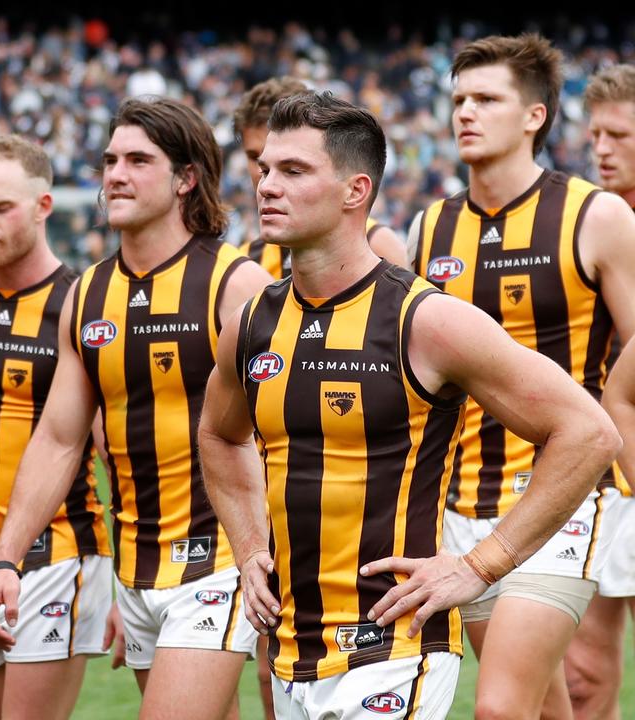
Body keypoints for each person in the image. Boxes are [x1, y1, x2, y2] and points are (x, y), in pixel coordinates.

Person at [200, 89, 623, 720]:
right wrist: (246, 543)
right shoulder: (253, 322)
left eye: (293, 171)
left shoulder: (426, 319)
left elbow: (589, 433)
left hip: (397, 646)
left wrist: (482, 566)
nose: (267, 185)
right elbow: (218, 435)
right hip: (294, 650)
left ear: (356, 191)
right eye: (263, 169)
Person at [0, 97, 274, 720]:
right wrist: (6, 557)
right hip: (135, 570)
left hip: (217, 560)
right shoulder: (87, 294)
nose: (115, 174)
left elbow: (282, 433)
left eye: (139, 160)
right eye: (110, 159)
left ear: (185, 178)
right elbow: (58, 440)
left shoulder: (233, 283)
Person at [411, 34, 635, 718]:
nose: (465, 114)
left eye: (486, 99)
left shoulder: (597, 216)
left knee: (501, 706)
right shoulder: (428, 228)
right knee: (542, 707)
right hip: (463, 505)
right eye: (458, 100)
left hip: (565, 494)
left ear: (534, 116)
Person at [0, 134, 112, 720]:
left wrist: (125, 586)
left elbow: (112, 448)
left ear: (43, 207)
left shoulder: (81, 303)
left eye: (0, 208)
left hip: (56, 556)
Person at [564, 63, 635, 720]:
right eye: (595, 137)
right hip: (605, 476)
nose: (603, 150)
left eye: (620, 136)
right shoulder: (582, 223)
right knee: (582, 679)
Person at [234, 76, 408, 279]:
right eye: (256, 158)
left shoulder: (379, 245)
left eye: (291, 168)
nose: (264, 178)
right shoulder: (245, 262)